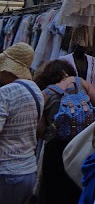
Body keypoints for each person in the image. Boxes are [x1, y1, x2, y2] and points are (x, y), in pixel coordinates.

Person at [34, 59, 95, 204]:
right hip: (83, 144)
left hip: (56, 149)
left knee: (54, 191)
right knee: (78, 187)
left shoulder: (44, 94)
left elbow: (39, 130)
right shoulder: (82, 83)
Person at [0, 43, 43, 204]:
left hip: (6, 172)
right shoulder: (35, 90)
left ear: (7, 68)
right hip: (28, 170)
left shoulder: (5, 93)